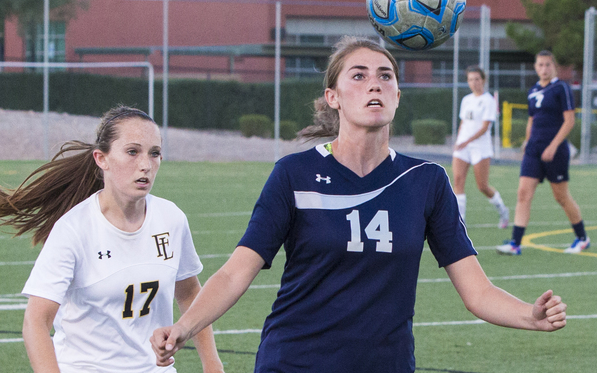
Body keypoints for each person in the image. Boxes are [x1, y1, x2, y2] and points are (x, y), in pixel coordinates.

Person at [149, 37, 567, 373]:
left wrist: (530, 316)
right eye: (359, 75)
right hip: (295, 361)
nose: (375, 84)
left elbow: (477, 291)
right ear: (332, 96)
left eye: (386, 76)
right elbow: (235, 271)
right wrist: (185, 327)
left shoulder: (426, 181)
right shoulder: (293, 174)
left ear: (398, 96)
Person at [0, 106, 224, 373]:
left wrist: (212, 364)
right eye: (132, 151)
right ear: (101, 158)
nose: (145, 164)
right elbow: (35, 322)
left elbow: (189, 294)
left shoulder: (171, 219)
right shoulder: (73, 229)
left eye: (155, 153)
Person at [497, 51, 590, 255]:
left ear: (554, 67)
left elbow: (569, 121)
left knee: (561, 197)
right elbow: (532, 119)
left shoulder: (561, 88)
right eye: (540, 65)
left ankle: (582, 238)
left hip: (554, 150)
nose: (544, 69)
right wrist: (527, 141)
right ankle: (515, 243)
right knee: (523, 194)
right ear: (535, 67)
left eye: (548, 65)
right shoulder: (533, 91)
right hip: (533, 150)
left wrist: (553, 146)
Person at [452, 66, 510, 228]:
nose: (474, 83)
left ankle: (503, 210)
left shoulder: (489, 100)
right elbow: (463, 123)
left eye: (477, 79)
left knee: (482, 186)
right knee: (457, 181)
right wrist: (459, 140)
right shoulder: (466, 100)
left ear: (483, 80)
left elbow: (484, 127)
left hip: (480, 147)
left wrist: (467, 141)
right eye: (470, 79)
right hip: (463, 146)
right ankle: (460, 221)